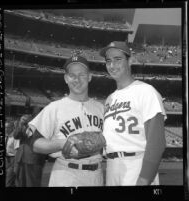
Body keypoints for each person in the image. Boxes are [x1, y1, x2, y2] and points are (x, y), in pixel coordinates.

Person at [27, 55, 104, 187]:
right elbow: (34, 143)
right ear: (66, 78)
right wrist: (62, 144)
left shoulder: (101, 108)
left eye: (82, 75)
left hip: (96, 175)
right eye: (72, 75)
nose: (77, 80)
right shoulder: (54, 108)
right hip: (66, 174)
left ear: (89, 77)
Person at [99, 41, 166, 186]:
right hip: (111, 167)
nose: (112, 65)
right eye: (108, 61)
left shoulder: (146, 91)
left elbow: (157, 142)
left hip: (136, 165)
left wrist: (144, 178)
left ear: (130, 61)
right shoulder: (109, 99)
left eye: (118, 59)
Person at [13, 114, 46, 187]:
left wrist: (30, 126)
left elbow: (41, 142)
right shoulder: (23, 128)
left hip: (33, 160)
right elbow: (16, 136)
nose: (25, 120)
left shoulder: (40, 128)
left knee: (32, 183)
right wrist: (20, 124)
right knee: (19, 182)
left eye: (27, 119)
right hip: (20, 158)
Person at [5, 120, 20, 187]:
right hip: (5, 159)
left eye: (7, 127)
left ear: (12, 128)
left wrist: (16, 164)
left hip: (12, 159)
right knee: (11, 182)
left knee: (8, 181)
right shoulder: (4, 136)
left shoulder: (15, 137)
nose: (6, 129)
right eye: (5, 127)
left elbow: (17, 151)